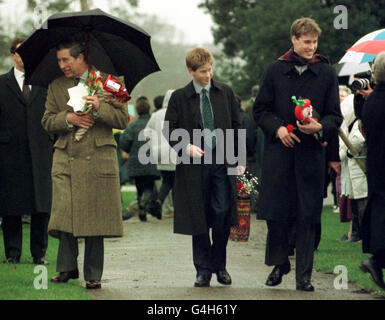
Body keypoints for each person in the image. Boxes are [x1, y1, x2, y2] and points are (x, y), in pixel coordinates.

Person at [253, 17, 342, 291]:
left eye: (315, 42)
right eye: (306, 42)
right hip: (280, 155)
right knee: (277, 214)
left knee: (307, 216)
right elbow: (260, 110)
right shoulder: (274, 70)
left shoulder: (326, 73)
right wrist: (278, 129)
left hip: (310, 157)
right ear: (294, 39)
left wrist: (320, 126)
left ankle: (304, 275)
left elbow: (334, 117)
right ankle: (281, 263)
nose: (311, 47)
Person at [41, 38, 129, 289]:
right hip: (66, 158)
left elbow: (123, 120)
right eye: (59, 60)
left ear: (81, 58)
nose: (62, 65)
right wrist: (68, 118)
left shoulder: (111, 82)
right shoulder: (55, 86)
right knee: (65, 214)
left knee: (94, 218)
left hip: (98, 158)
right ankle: (66, 268)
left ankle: (93, 274)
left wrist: (101, 108)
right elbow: (47, 121)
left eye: (66, 60)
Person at [164, 47, 243, 287]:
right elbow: (169, 128)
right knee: (198, 218)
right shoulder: (179, 97)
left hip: (222, 162)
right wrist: (185, 146)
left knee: (221, 214)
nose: (208, 75)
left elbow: (238, 126)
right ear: (191, 71)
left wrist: (238, 158)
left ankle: (220, 265)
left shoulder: (225, 93)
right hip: (193, 166)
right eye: (202, 71)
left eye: (210, 70)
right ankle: (203, 270)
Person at [0, 38, 52, 265]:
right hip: (9, 154)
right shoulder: (2, 83)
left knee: (42, 205)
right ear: (13, 55)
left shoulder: (47, 84)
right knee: (11, 206)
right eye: (21, 53)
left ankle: (39, 254)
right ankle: (12, 253)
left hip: (41, 152)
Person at [360, 52, 385, 290]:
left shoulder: (371, 101)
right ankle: (377, 260)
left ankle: (377, 258)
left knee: (378, 206)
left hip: (376, 163)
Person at [119, 98, 161, 221]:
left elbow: (124, 143)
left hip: (136, 162)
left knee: (139, 187)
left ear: (137, 110)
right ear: (148, 108)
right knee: (149, 185)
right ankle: (144, 202)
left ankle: (142, 212)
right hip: (151, 161)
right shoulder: (153, 124)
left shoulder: (133, 126)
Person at [145, 90, 176, 217]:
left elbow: (146, 133)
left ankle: (158, 201)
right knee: (178, 181)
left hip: (159, 153)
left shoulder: (156, 115)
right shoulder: (179, 113)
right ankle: (179, 209)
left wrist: (153, 144)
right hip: (175, 152)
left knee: (167, 181)